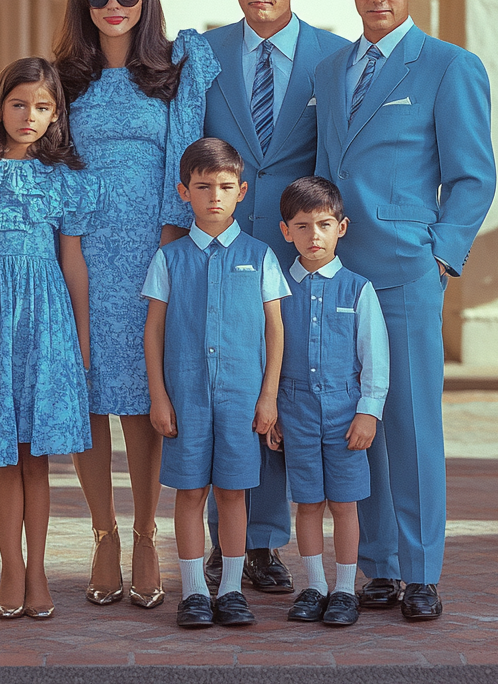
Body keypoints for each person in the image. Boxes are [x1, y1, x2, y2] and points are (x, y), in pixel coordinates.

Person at [313, 0, 496, 621]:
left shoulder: (449, 66)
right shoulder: (332, 71)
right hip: (341, 276)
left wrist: (440, 256)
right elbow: (329, 171)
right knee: (361, 423)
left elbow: (473, 177)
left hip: (407, 272)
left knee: (413, 426)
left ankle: (421, 572)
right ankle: (380, 566)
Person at [56, 0, 220, 609]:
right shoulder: (63, 78)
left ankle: (147, 535)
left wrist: (168, 251)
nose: (115, 6)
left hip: (151, 252)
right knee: (90, 392)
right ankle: (102, 534)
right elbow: (49, 160)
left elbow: (182, 168)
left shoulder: (174, 71)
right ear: (84, 3)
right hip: (80, 252)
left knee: (147, 399)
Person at [201, 0, 349, 594]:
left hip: (297, 255)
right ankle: (229, 541)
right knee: (226, 388)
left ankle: (267, 541)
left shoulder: (337, 58)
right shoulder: (202, 56)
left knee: (287, 392)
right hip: (222, 251)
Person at [0, 58, 103, 620]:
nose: (29, 116)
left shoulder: (63, 177)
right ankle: (9, 568)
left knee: (36, 458)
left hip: (46, 319)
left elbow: (73, 261)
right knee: (5, 459)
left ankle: (37, 571)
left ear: (56, 115)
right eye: (19, 104)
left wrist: (81, 336)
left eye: (42, 107)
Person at [142, 138, 289, 628]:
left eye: (226, 187)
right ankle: (193, 593)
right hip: (185, 399)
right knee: (189, 492)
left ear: (242, 191)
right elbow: (155, 330)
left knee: (233, 494)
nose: (214, 197)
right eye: (203, 187)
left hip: (241, 398)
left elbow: (274, 329)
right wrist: (159, 396)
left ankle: (229, 591)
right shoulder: (170, 258)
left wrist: (268, 395)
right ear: (185, 192)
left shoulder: (260, 255)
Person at [272, 176, 389, 628]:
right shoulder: (276, 287)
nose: (313, 235)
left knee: (344, 504)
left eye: (323, 224)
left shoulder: (359, 289)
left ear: (342, 227)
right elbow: (268, 354)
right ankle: (314, 585)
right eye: (302, 226)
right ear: (286, 232)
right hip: (294, 410)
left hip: (345, 413)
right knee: (307, 503)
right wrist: (273, 411)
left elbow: (374, 356)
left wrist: (368, 410)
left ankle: (344, 589)